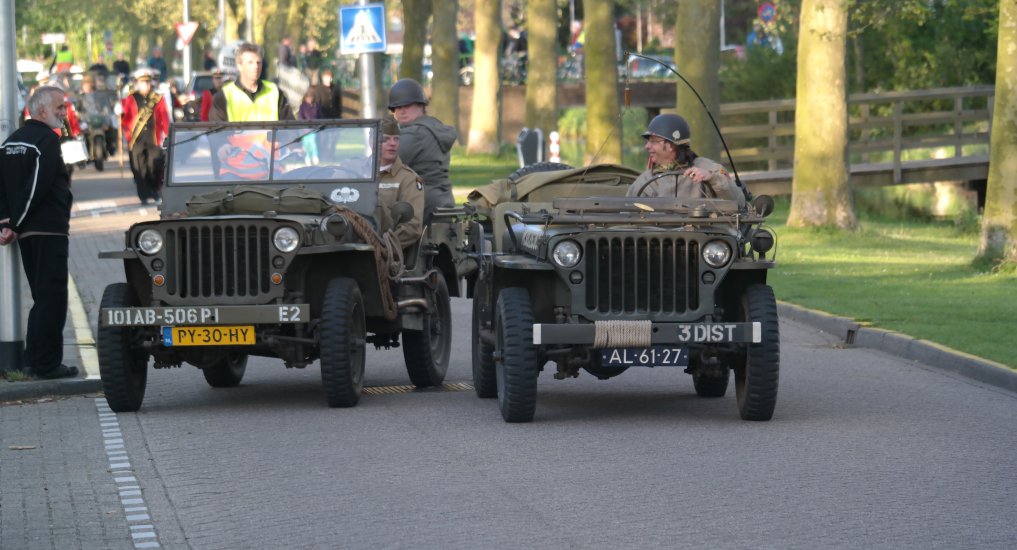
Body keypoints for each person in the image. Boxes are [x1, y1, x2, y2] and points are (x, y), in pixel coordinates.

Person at [0, 86, 79, 380]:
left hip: (27, 233)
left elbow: (2, 189)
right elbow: (36, 188)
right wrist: (15, 224)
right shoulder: (46, 141)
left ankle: (33, 360)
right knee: (53, 298)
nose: (64, 113)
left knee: (42, 297)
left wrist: (7, 222)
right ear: (42, 110)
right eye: (60, 108)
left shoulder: (10, 143)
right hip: (47, 230)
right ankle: (46, 365)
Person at [626, 114, 745, 207]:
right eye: (647, 141)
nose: (647, 146)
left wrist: (712, 178)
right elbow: (626, 214)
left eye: (653, 141)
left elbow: (739, 202)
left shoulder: (709, 168)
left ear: (671, 145)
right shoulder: (646, 180)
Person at [387, 78, 456, 222]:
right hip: (442, 199)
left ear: (421, 105)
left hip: (422, 206)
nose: (401, 111)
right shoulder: (433, 126)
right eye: (397, 107)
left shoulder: (415, 133)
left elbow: (385, 165)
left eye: (407, 105)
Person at [208, 42, 293, 122]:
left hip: (272, 138)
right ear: (239, 66)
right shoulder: (223, 97)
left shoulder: (275, 92)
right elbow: (217, 134)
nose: (256, 67)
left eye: (258, 63)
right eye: (250, 63)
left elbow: (289, 128)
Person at [376, 117, 424, 254]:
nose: (392, 144)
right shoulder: (357, 172)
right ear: (372, 142)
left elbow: (412, 227)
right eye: (385, 139)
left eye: (396, 139)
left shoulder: (409, 179)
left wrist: (383, 248)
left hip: (386, 252)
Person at [121, 72, 169, 204]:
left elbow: (164, 117)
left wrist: (168, 134)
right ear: (138, 84)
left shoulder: (158, 98)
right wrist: (127, 133)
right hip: (137, 138)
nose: (146, 85)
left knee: (154, 165)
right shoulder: (132, 98)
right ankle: (143, 195)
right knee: (140, 167)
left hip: (153, 138)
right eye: (143, 82)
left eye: (148, 82)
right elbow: (126, 118)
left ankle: (155, 191)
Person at [297, 91, 320, 165]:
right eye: (308, 97)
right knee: (306, 144)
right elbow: (300, 117)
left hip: (313, 129)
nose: (310, 99)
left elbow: (318, 116)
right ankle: (307, 158)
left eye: (311, 97)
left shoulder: (316, 106)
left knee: (313, 143)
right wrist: (304, 126)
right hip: (305, 129)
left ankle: (315, 156)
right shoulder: (302, 106)